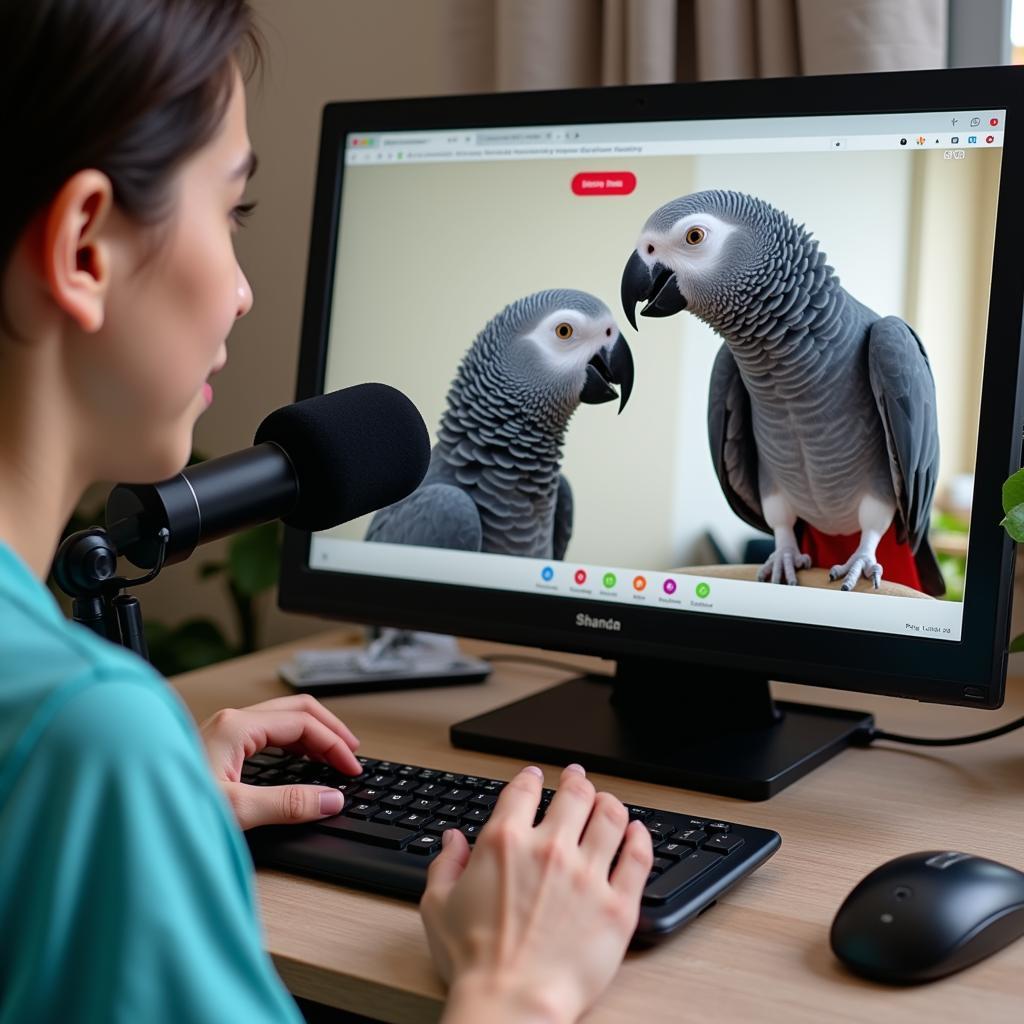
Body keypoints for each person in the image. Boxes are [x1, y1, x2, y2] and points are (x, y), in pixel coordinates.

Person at [0, 3, 654, 1022]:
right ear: (86, 247)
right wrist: (516, 986)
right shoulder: (84, 737)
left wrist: (152, 819)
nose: (247, 291)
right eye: (232, 213)